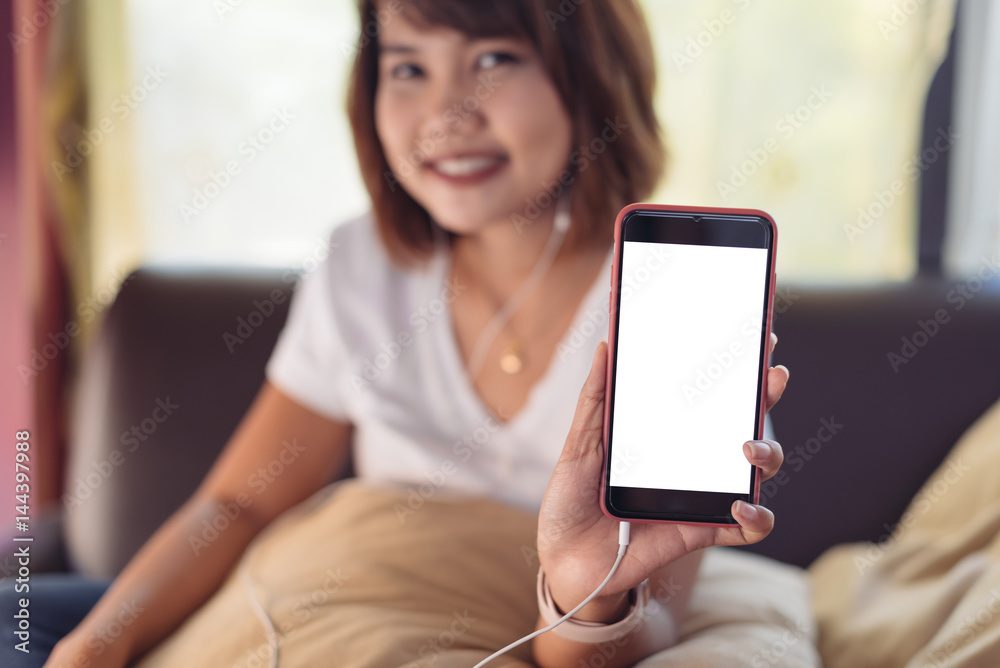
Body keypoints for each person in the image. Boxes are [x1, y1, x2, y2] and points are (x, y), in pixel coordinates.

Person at [4, 1, 790, 666]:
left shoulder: (677, 305)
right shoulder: (364, 265)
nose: (446, 116)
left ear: (588, 76)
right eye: (409, 67)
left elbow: (648, 626)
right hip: (327, 589)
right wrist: (86, 653)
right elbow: (240, 504)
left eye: (493, 58)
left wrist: (586, 599)